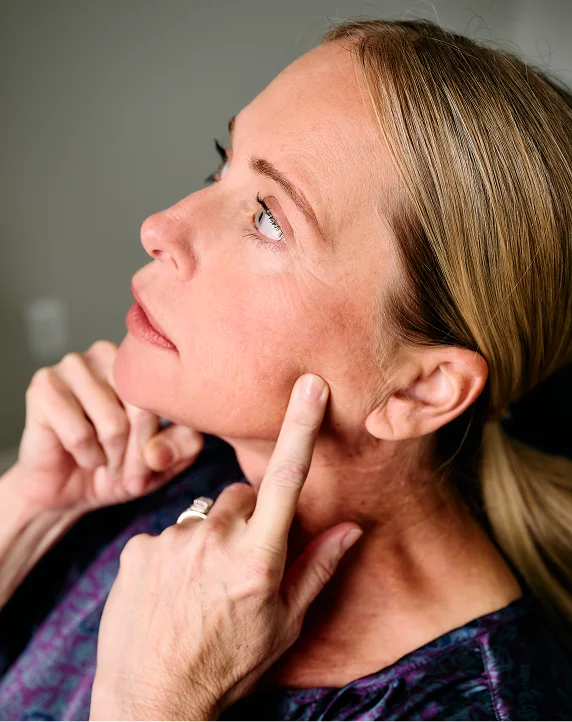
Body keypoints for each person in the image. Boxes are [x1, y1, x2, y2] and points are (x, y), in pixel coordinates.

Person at [0, 15, 571, 721]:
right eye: (221, 163)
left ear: (422, 388)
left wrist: (150, 704)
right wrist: (29, 511)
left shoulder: (482, 705)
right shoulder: (180, 468)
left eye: (270, 218)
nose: (161, 226)